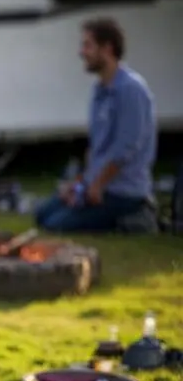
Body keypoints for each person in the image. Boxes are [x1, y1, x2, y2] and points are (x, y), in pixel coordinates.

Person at [35, 18, 157, 233]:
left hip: (121, 191)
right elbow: (98, 149)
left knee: (57, 225)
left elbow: (126, 148)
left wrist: (97, 186)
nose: (82, 52)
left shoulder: (131, 90)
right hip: (97, 185)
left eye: (87, 45)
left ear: (107, 49)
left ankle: (136, 219)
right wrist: (79, 184)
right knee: (43, 215)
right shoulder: (99, 91)